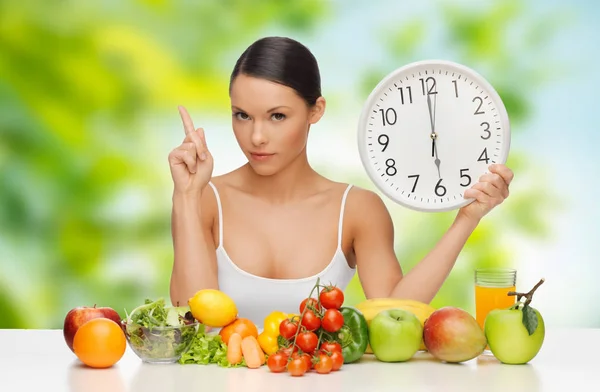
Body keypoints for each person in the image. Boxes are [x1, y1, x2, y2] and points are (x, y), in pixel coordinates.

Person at [167, 36, 513, 329]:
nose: (256, 136)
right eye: (242, 115)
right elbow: (190, 319)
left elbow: (394, 314)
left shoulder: (358, 209)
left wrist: (467, 218)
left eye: (277, 116)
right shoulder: (203, 198)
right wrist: (185, 195)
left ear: (315, 111)